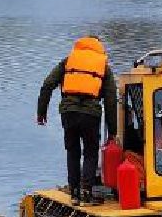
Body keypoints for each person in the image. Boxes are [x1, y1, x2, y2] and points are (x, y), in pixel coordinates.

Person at [36, 35, 118, 203]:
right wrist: (113, 130)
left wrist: (41, 112)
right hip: (91, 114)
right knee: (90, 152)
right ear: (98, 46)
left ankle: (74, 193)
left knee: (72, 151)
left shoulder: (68, 61)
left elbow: (47, 85)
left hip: (69, 112)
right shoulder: (103, 66)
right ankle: (87, 191)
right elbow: (110, 99)